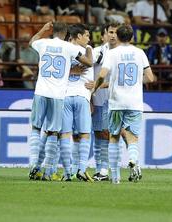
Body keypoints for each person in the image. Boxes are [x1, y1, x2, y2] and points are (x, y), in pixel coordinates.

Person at [28, 22, 92, 180]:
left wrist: (43, 29)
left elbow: (31, 42)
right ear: (66, 34)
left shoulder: (43, 43)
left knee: (36, 129)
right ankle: (48, 171)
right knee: (53, 132)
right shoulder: (69, 47)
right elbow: (89, 63)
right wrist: (88, 50)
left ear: (53, 31)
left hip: (40, 91)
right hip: (57, 95)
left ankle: (33, 166)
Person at [93, 24, 155, 184]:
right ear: (132, 37)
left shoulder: (113, 53)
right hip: (134, 103)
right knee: (132, 137)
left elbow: (102, 74)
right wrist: (135, 82)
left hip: (116, 102)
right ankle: (133, 159)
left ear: (118, 37)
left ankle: (115, 178)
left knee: (113, 137)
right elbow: (150, 78)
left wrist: (95, 87)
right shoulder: (140, 53)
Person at [59, 24, 93, 181]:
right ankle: (81, 169)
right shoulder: (86, 52)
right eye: (86, 35)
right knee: (85, 134)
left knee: (65, 134)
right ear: (78, 36)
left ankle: (67, 173)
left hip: (64, 96)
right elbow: (90, 66)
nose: (88, 38)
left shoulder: (62, 49)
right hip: (81, 96)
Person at [91, 22, 120, 182]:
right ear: (103, 35)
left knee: (110, 134)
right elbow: (87, 66)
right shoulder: (97, 53)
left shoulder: (123, 54)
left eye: (115, 32)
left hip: (116, 101)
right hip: (99, 99)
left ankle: (106, 168)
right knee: (98, 134)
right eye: (110, 32)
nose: (113, 35)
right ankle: (99, 168)